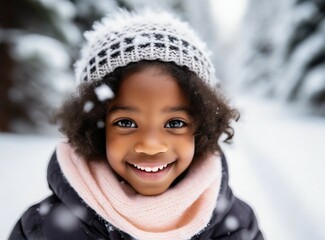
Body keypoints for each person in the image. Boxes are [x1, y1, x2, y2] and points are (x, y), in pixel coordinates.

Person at [9, 10, 264, 240]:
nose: (151, 146)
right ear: (95, 128)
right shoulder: (43, 230)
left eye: (175, 122)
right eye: (126, 122)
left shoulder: (237, 228)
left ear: (203, 126)